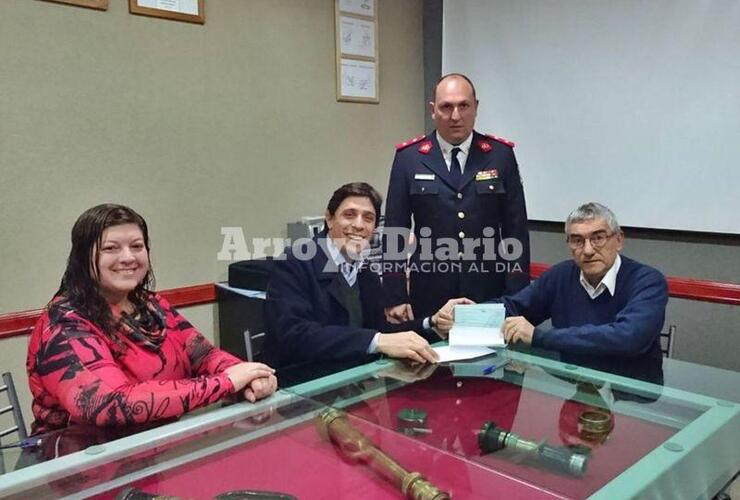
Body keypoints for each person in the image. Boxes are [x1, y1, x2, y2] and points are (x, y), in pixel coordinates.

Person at [27, 204, 277, 435]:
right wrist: (226, 382)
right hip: (82, 465)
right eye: (110, 248)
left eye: (137, 246)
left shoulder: (151, 305)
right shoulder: (64, 324)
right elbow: (108, 403)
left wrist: (251, 378)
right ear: (83, 258)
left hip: (159, 447)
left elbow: (204, 355)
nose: (128, 257)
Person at [263, 182, 469, 379]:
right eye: (349, 215)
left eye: (368, 218)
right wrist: (377, 341)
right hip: (298, 389)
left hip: (351, 384)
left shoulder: (365, 273)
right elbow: (295, 335)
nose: (359, 225)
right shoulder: (295, 262)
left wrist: (432, 323)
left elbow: (382, 331)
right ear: (329, 218)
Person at [441, 202, 668, 379]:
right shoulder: (560, 275)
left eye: (598, 238)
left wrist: (538, 337)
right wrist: (466, 316)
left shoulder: (647, 281)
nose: (588, 250)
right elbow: (515, 307)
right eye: (577, 240)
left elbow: (628, 338)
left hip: (631, 394)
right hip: (570, 381)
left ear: (619, 240)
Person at [383, 73, 530, 325]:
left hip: (488, 287)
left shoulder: (500, 155)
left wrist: (517, 296)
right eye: (446, 107)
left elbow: (515, 230)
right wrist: (395, 294)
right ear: (433, 110)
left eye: (464, 106)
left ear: (476, 108)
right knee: (429, 361)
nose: (455, 116)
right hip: (430, 288)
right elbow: (396, 228)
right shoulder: (409, 158)